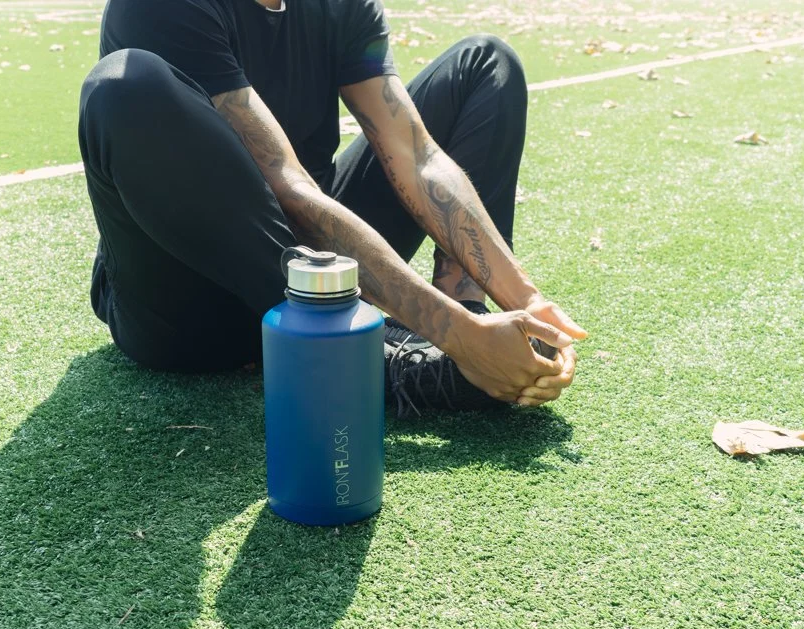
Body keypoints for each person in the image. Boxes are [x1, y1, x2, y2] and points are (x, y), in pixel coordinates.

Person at [78, 0, 587, 416]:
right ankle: (388, 361)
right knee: (126, 81)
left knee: (485, 63)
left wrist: (524, 299)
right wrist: (456, 334)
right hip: (186, 304)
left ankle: (467, 338)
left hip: (315, 267)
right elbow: (287, 189)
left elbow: (415, 155)